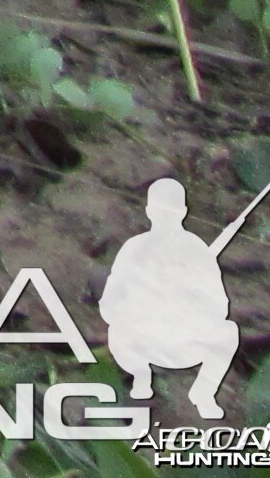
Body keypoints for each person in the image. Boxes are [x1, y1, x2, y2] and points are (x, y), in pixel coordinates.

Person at [102, 176, 247, 419]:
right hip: (140, 338)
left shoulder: (197, 250)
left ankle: (203, 392)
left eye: (171, 210)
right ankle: (141, 379)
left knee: (228, 331)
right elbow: (110, 302)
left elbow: (219, 307)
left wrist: (190, 298)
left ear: (183, 211)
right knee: (118, 332)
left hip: (182, 337)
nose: (165, 217)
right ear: (149, 211)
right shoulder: (134, 248)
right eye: (160, 210)